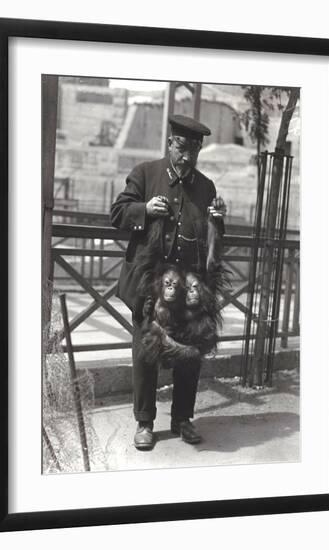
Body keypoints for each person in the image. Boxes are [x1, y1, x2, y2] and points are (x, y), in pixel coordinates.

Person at [110, 114, 226, 450]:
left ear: (200, 151)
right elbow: (117, 213)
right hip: (149, 286)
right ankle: (145, 423)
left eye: (194, 150)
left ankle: (182, 420)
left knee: (190, 354)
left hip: (187, 289)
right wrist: (144, 208)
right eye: (182, 147)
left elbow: (212, 241)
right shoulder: (146, 173)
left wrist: (218, 222)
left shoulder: (206, 187)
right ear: (170, 143)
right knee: (146, 353)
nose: (187, 156)